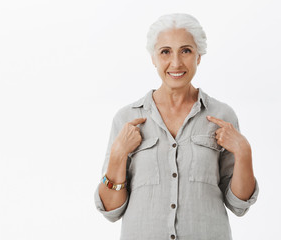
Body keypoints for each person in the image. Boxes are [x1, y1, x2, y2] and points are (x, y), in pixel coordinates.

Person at [94, 13, 259, 240]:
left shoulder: (222, 116)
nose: (176, 63)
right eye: (165, 52)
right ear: (153, 58)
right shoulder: (126, 119)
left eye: (186, 50)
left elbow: (239, 204)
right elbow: (112, 210)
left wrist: (244, 152)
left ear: (198, 56)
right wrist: (118, 155)